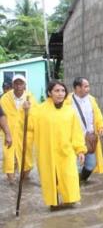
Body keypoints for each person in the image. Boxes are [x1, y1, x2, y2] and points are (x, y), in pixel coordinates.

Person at [30, 80, 86, 210]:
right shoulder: (39, 110)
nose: (60, 94)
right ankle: (53, 205)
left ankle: (69, 204)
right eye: (56, 91)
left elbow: (76, 133)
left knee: (69, 178)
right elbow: (29, 126)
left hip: (65, 152)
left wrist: (80, 150)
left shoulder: (69, 111)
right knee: (51, 180)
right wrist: (26, 112)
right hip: (47, 152)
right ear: (49, 93)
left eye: (62, 90)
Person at [66, 77, 103, 182]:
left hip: (89, 139)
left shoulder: (91, 99)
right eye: (86, 86)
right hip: (73, 139)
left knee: (90, 165)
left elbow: (97, 115)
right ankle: (74, 188)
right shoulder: (67, 100)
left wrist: (101, 127)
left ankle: (81, 181)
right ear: (77, 88)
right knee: (75, 165)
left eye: (88, 86)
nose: (88, 88)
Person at [0, 75, 37, 183]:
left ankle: (23, 180)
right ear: (12, 85)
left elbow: (36, 116)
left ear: (25, 85)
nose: (18, 86)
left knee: (27, 157)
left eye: (21, 83)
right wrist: (6, 132)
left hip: (25, 132)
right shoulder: (5, 98)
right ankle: (11, 182)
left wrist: (27, 111)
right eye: (16, 83)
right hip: (9, 131)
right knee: (9, 156)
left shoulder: (30, 98)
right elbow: (1, 115)